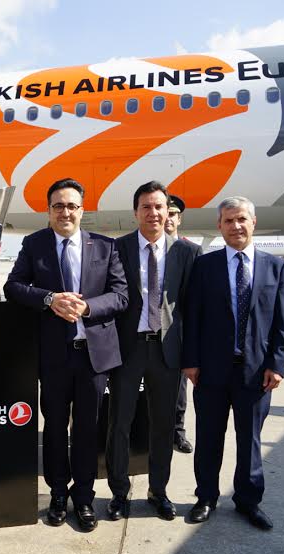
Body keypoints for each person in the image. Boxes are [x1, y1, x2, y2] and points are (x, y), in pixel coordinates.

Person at [4, 178, 128, 532]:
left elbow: (120, 296)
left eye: (72, 206)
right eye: (58, 206)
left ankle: (84, 497)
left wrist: (87, 307)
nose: (65, 212)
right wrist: (49, 299)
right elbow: (13, 287)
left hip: (93, 357)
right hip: (54, 357)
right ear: (48, 211)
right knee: (55, 427)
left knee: (87, 429)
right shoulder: (35, 244)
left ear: (82, 211)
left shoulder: (105, 246)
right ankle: (58, 493)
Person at [182, 196, 284, 531]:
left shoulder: (276, 267)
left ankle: (248, 501)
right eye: (228, 221)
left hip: (256, 373)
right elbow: (193, 318)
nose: (236, 226)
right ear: (219, 225)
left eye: (242, 219)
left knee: (250, 440)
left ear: (253, 222)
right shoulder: (205, 266)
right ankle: (206, 497)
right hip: (211, 371)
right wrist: (191, 361)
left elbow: (283, 323)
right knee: (208, 438)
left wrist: (277, 365)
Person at [106, 181, 200, 522]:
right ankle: (119, 493)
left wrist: (191, 358)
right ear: (136, 212)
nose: (153, 213)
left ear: (168, 211)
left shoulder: (186, 252)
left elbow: (192, 309)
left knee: (163, 426)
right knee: (119, 423)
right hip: (127, 350)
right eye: (146, 206)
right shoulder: (117, 249)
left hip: (166, 353)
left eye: (159, 206)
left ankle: (158, 491)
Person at [164, 194, 196, 454]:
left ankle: (177, 431)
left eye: (173, 214)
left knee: (178, 388)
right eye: (165, 213)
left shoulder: (190, 251)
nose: (168, 219)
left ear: (179, 219)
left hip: (177, 333)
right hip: (147, 333)